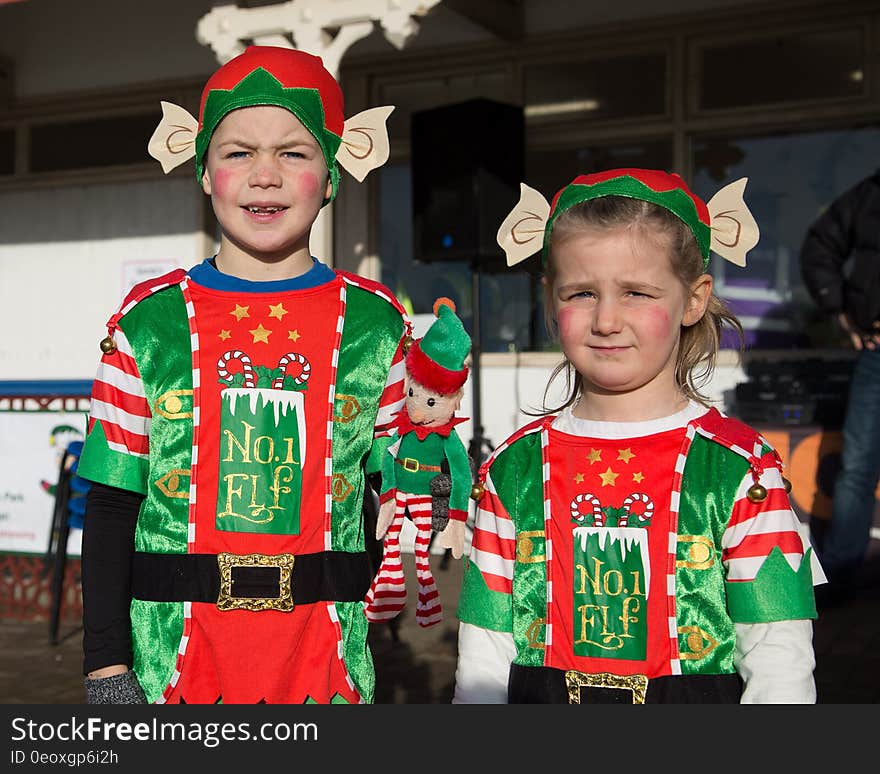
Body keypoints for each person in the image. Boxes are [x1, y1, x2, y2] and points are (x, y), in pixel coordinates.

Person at [77, 45, 411, 704]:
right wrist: (105, 666)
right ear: (202, 171)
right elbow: (111, 509)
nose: (265, 175)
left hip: (324, 661)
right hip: (172, 660)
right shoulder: (147, 324)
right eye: (237, 153)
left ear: (334, 173)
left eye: (293, 152)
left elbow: (396, 501)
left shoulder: (378, 327)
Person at [453, 168, 823, 704]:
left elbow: (779, 661)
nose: (605, 319)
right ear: (548, 299)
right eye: (580, 292)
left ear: (693, 300)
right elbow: (483, 658)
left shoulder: (742, 470)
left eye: (636, 293)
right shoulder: (513, 467)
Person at [800, 170, 880, 602]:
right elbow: (819, 247)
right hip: (877, 352)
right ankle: (842, 578)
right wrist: (840, 311)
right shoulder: (870, 194)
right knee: (856, 468)